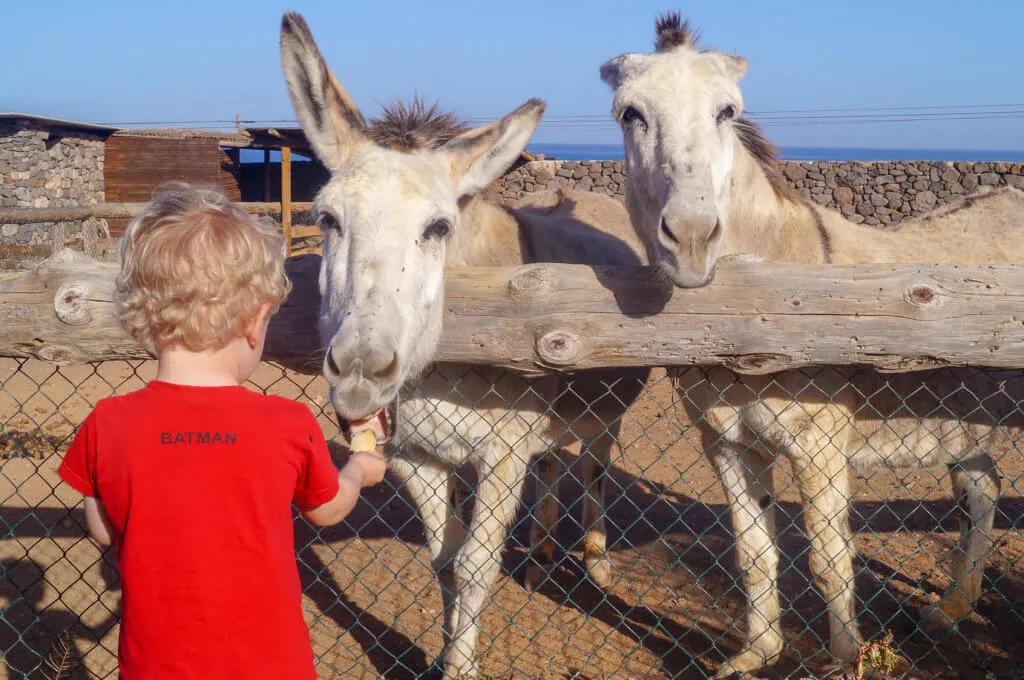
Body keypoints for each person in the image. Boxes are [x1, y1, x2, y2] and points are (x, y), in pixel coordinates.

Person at [57, 182, 387, 679]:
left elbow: (103, 530)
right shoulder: (286, 423)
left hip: (155, 665)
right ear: (257, 322)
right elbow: (326, 510)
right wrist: (361, 466)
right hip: (270, 665)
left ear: (141, 316)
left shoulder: (108, 422)